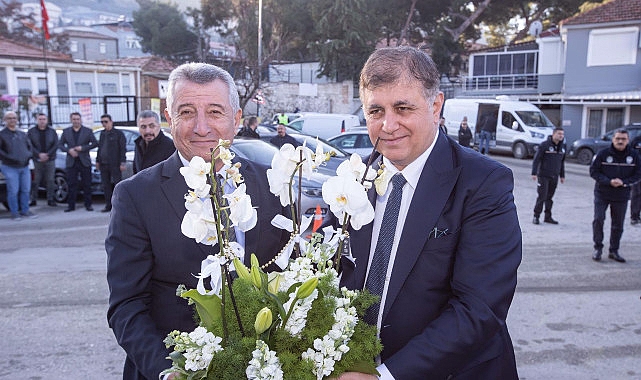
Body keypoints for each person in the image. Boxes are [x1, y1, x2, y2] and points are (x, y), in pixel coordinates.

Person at [339, 46, 521, 379]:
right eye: (375, 111)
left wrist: (387, 376)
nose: (388, 125)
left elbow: (478, 309)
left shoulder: (484, 183)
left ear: (435, 106)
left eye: (403, 108)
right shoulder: (355, 177)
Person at [105, 62, 291, 380]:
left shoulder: (272, 184)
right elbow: (127, 305)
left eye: (215, 112)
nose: (201, 128)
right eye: (187, 112)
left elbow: (288, 278)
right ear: (169, 118)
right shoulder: (135, 196)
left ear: (235, 120)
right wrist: (170, 371)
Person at [590, 129, 641, 263]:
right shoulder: (603, 153)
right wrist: (608, 181)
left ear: (628, 140)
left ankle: (614, 250)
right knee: (598, 219)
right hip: (603, 193)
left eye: (623, 139)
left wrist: (624, 182)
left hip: (621, 195)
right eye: (617, 138)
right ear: (613, 139)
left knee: (618, 225)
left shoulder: (634, 156)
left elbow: (638, 174)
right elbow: (594, 172)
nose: (620, 141)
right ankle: (598, 248)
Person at [58, 112, 98, 212]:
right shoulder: (66, 131)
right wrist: (69, 150)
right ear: (71, 120)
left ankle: (88, 204)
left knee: (87, 184)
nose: (76, 121)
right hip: (71, 161)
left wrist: (82, 148)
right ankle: (71, 206)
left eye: (77, 119)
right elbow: (60, 145)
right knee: (72, 184)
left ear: (80, 120)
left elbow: (95, 143)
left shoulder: (87, 131)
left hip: (84, 161)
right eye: (74, 119)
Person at [0, 111, 36, 220]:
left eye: (14, 118)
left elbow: (30, 147)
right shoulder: (2, 135)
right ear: (5, 120)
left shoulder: (22, 134)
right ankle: (14, 212)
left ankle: (25, 210)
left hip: (24, 166)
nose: (12, 120)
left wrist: (28, 155)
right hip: (9, 166)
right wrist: (11, 158)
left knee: (25, 189)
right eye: (10, 118)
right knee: (13, 190)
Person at [531, 127, 566, 225]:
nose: (561, 136)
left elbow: (562, 162)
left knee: (550, 197)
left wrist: (562, 175)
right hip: (543, 175)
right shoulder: (545, 145)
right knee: (542, 196)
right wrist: (534, 172)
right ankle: (536, 216)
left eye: (562, 134)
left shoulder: (562, 147)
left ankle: (548, 217)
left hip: (554, 176)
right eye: (559, 134)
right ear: (554, 134)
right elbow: (537, 159)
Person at [96, 114, 126, 212]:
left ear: (111, 121)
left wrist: (122, 162)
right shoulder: (102, 134)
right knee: (106, 186)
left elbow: (122, 149)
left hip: (115, 164)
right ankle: (108, 205)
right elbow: (99, 148)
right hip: (104, 164)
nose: (104, 124)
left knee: (118, 185)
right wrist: (97, 160)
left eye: (106, 121)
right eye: (102, 122)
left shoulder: (118, 134)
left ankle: (119, 205)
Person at [28, 113, 58, 207]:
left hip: (50, 159)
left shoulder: (52, 131)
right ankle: (33, 199)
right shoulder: (32, 131)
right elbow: (29, 145)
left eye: (44, 119)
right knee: (36, 180)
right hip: (37, 159)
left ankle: (50, 199)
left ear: (47, 120)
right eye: (40, 119)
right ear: (37, 120)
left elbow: (56, 144)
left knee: (50, 180)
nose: (42, 121)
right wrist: (38, 154)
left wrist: (48, 154)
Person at [133, 110, 175, 174]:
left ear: (159, 126)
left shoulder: (170, 146)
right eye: (143, 127)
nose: (147, 131)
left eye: (152, 126)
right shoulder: (138, 144)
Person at [629, 134, 641, 225]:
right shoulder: (636, 140)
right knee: (636, 193)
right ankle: (634, 216)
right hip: (637, 171)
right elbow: (629, 154)